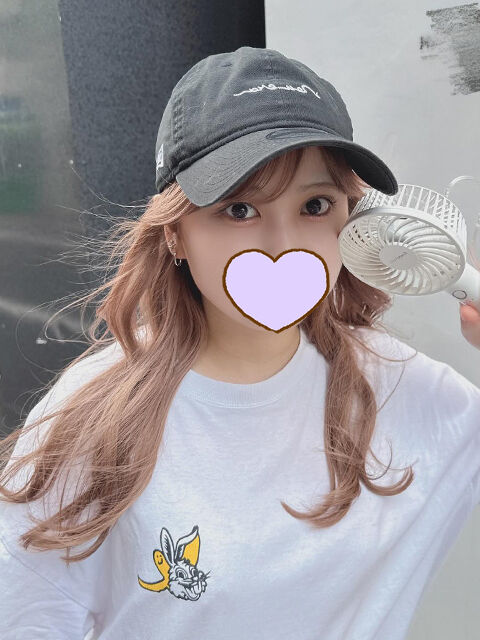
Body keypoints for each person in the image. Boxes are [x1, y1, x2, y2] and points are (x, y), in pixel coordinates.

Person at [0, 46, 479, 640]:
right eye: (240, 208)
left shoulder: (407, 390)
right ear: (174, 233)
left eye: (315, 205)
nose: (283, 244)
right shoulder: (95, 414)